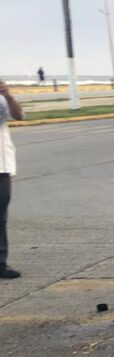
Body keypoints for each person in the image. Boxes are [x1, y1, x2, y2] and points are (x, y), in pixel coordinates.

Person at [0, 78, 23, 279]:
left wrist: (7, 95)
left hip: (1, 167)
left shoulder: (1, 100)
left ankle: (0, 263)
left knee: (1, 217)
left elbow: (18, 115)